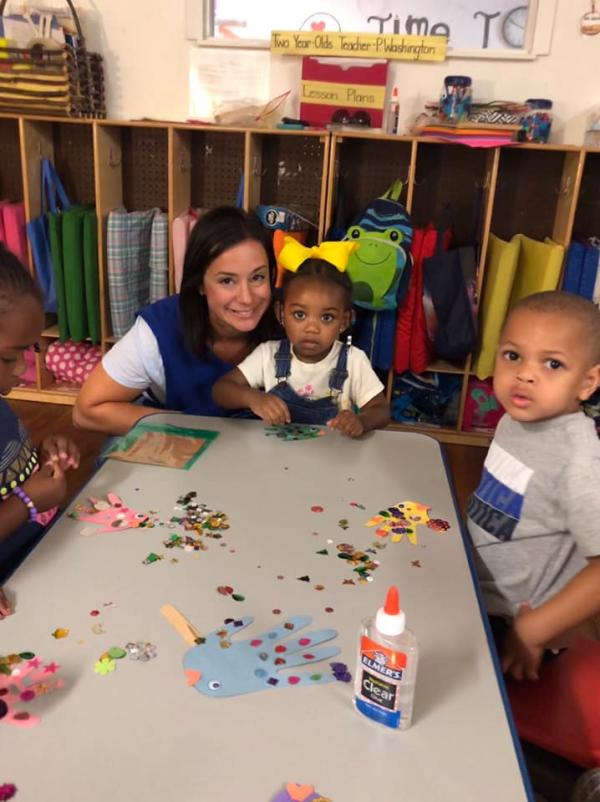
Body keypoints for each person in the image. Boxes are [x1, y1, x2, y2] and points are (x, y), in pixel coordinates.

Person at [467, 291, 600, 681]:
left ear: (587, 382)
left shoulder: (578, 463)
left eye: (553, 363)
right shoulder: (516, 417)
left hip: (514, 625)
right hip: (478, 586)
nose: (525, 374)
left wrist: (533, 630)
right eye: (513, 356)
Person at [73, 206, 279, 435]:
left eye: (258, 277)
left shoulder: (295, 314)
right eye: (227, 281)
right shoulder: (160, 329)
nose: (247, 298)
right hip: (175, 435)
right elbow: (86, 410)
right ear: (200, 283)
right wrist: (193, 429)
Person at [212, 238, 391, 437]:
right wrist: (253, 398)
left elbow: (381, 410)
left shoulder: (353, 361)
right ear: (281, 313)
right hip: (278, 459)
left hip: (332, 459)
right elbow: (221, 389)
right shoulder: (268, 354)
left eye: (327, 317)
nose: (312, 328)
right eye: (299, 315)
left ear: (344, 321)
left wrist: (361, 421)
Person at [0, 246, 80, 618]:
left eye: (28, 351)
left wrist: (40, 453)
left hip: (41, 548)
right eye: (8, 357)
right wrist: (27, 501)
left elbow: (9, 455)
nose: (22, 370)